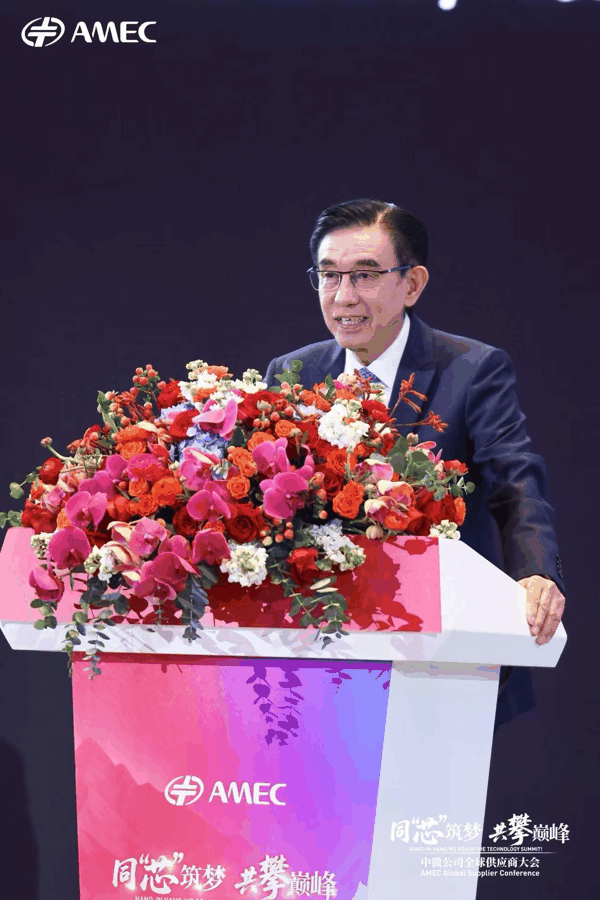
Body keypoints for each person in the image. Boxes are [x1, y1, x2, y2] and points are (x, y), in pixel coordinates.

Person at [264, 198, 566, 728]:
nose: (343, 297)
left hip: (435, 647)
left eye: (365, 275)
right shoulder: (292, 372)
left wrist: (535, 570)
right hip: (315, 646)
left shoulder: (471, 369)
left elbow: (513, 479)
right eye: (329, 276)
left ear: (412, 283)